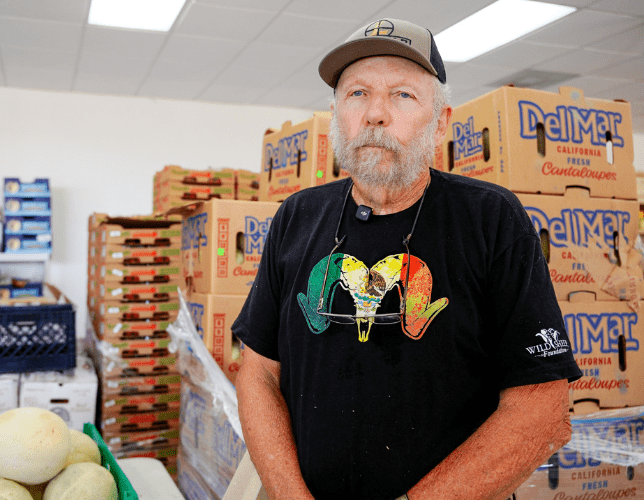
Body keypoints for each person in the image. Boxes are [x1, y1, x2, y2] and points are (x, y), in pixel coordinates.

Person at [232, 17, 582, 500]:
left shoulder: (491, 219)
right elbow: (258, 372)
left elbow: (542, 403)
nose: (376, 114)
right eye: (357, 94)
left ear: (440, 122)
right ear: (336, 115)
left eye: (402, 95)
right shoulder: (297, 216)